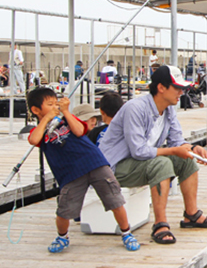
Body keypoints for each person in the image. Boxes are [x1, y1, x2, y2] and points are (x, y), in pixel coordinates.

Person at [99, 65, 207, 245]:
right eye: (177, 88)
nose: (181, 92)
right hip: (115, 168)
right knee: (162, 164)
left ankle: (191, 215)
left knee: (186, 160)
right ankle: (160, 224)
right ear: (161, 88)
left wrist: (192, 148)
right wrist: (174, 151)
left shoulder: (169, 109)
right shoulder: (135, 108)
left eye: (182, 88)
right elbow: (139, 151)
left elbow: (176, 141)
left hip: (138, 163)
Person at [26, 87, 139, 253]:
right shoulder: (40, 131)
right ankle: (62, 236)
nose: (54, 106)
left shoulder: (66, 119)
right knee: (65, 210)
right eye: (49, 104)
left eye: (55, 103)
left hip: (94, 162)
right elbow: (33, 139)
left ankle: (126, 232)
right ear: (36, 110)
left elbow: (79, 130)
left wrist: (65, 112)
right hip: (70, 173)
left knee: (114, 199)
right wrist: (47, 118)